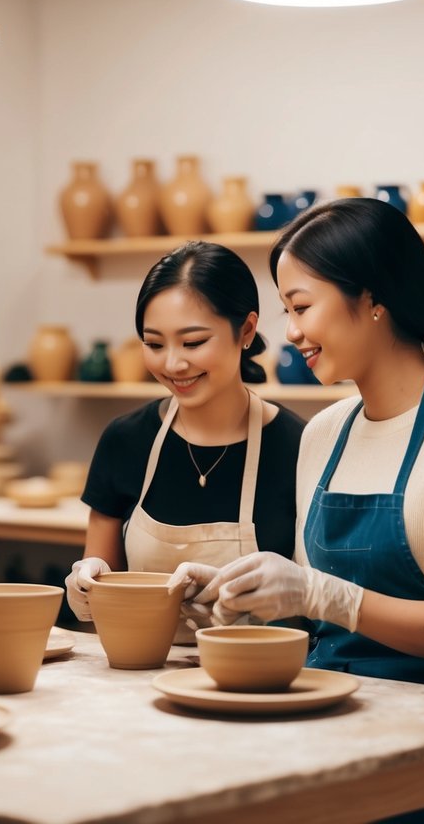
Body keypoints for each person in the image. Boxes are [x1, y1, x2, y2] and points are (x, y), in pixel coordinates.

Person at [174, 198, 424, 823]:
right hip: (335, 720)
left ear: (371, 300)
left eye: (301, 306)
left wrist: (324, 595)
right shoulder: (324, 433)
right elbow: (312, 609)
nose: (289, 331)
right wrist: (238, 597)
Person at [65, 241, 305, 635]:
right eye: (154, 344)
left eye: (193, 342)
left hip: (262, 681)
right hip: (144, 674)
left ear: (245, 330)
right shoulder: (125, 440)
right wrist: (88, 583)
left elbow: (318, 606)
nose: (173, 364)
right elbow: (101, 583)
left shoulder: (298, 447)